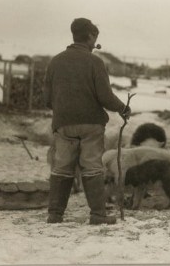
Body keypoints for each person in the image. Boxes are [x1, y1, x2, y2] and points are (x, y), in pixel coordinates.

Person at [43, 18, 131, 225]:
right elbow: (105, 96)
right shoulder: (95, 62)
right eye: (95, 38)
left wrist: (65, 111)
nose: (95, 43)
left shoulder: (55, 61)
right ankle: (98, 215)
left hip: (63, 124)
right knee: (92, 167)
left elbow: (47, 100)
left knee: (62, 167)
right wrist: (123, 108)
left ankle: (55, 214)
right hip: (91, 124)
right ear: (90, 36)